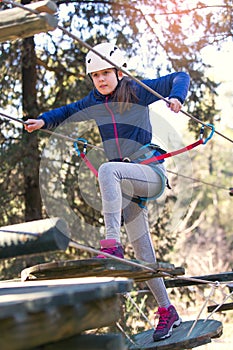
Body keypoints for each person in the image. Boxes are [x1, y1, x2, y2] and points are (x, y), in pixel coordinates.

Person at [25, 42, 190, 341]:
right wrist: (44, 121)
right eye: (95, 75)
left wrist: (176, 97)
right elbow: (67, 110)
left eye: (106, 73)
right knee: (142, 250)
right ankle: (168, 310)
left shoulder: (137, 90)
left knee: (107, 170)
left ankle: (111, 243)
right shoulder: (93, 101)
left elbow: (180, 76)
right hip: (125, 186)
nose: (100, 80)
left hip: (149, 173)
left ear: (118, 72)